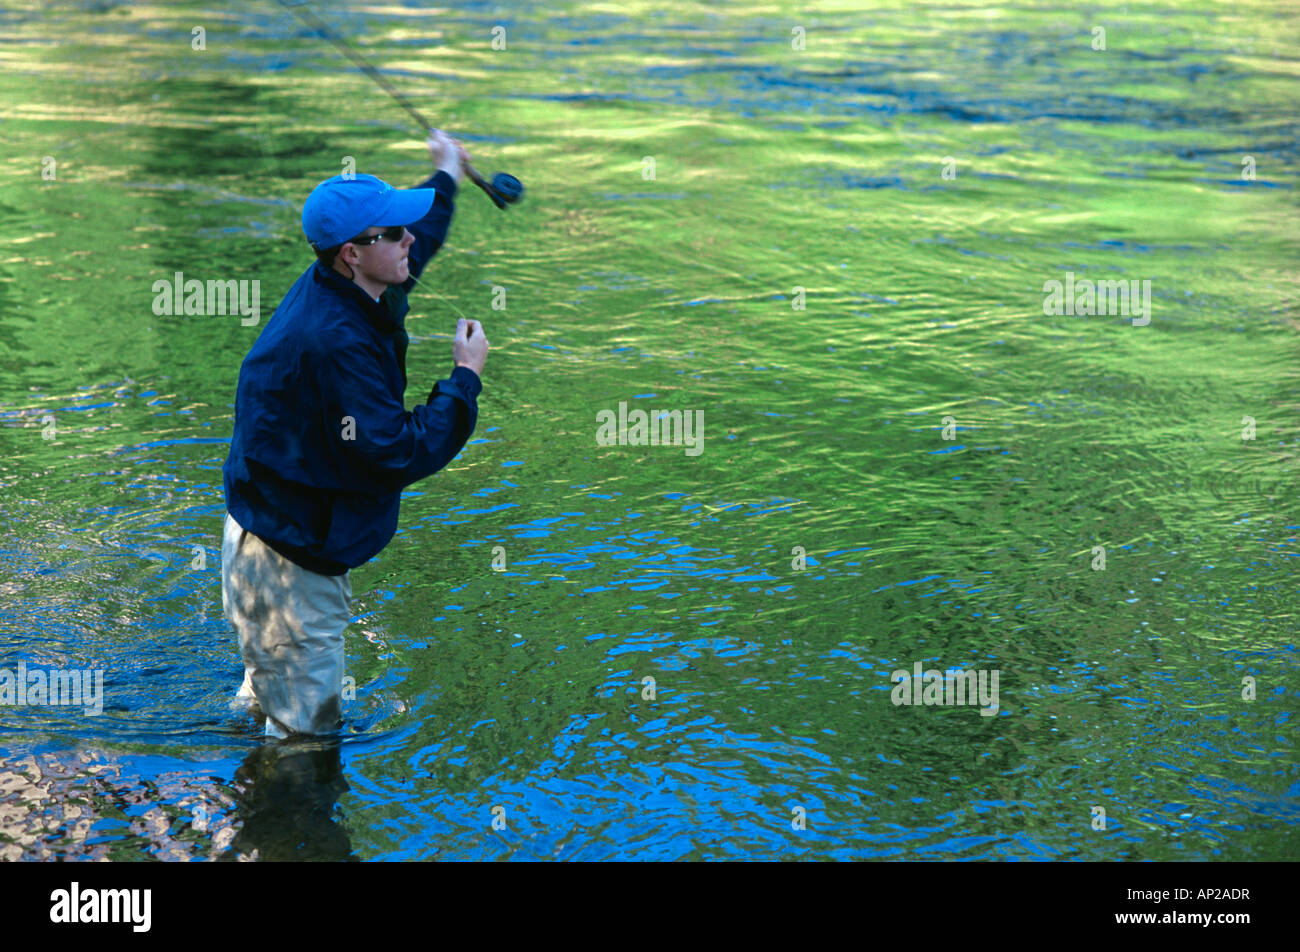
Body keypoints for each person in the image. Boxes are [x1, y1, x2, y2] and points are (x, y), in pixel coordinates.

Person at [221, 130, 489, 739]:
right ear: (352, 251)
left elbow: (416, 246)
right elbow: (394, 449)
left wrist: (445, 174)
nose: (409, 241)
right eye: (393, 232)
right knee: (305, 747)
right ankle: (258, 826)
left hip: (267, 532)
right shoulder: (336, 340)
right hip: (291, 567)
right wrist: (464, 379)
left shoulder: (354, 279)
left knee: (269, 715)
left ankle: (239, 796)